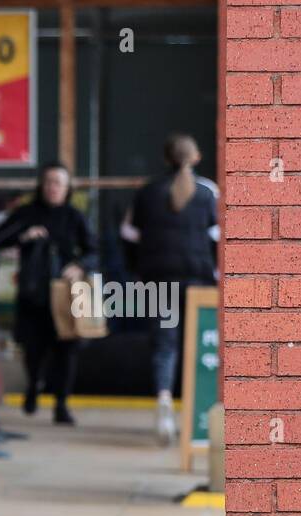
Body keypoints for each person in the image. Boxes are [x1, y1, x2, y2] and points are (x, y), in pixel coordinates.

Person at [123, 133, 218, 444]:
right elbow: (217, 237)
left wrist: (137, 269)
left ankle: (164, 397)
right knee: (196, 346)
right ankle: (193, 410)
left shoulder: (147, 192)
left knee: (165, 345)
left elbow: (129, 233)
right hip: (198, 280)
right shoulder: (208, 193)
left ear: (165, 159)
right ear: (197, 157)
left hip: (157, 279)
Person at [0, 162, 96, 426]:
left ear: (67, 188)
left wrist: (80, 265)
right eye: (48, 182)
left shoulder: (75, 217)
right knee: (33, 347)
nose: (52, 188)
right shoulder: (26, 213)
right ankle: (33, 386)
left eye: (58, 183)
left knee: (67, 349)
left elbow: (95, 251)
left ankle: (61, 403)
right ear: (41, 185)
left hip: (68, 294)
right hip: (33, 292)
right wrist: (24, 236)